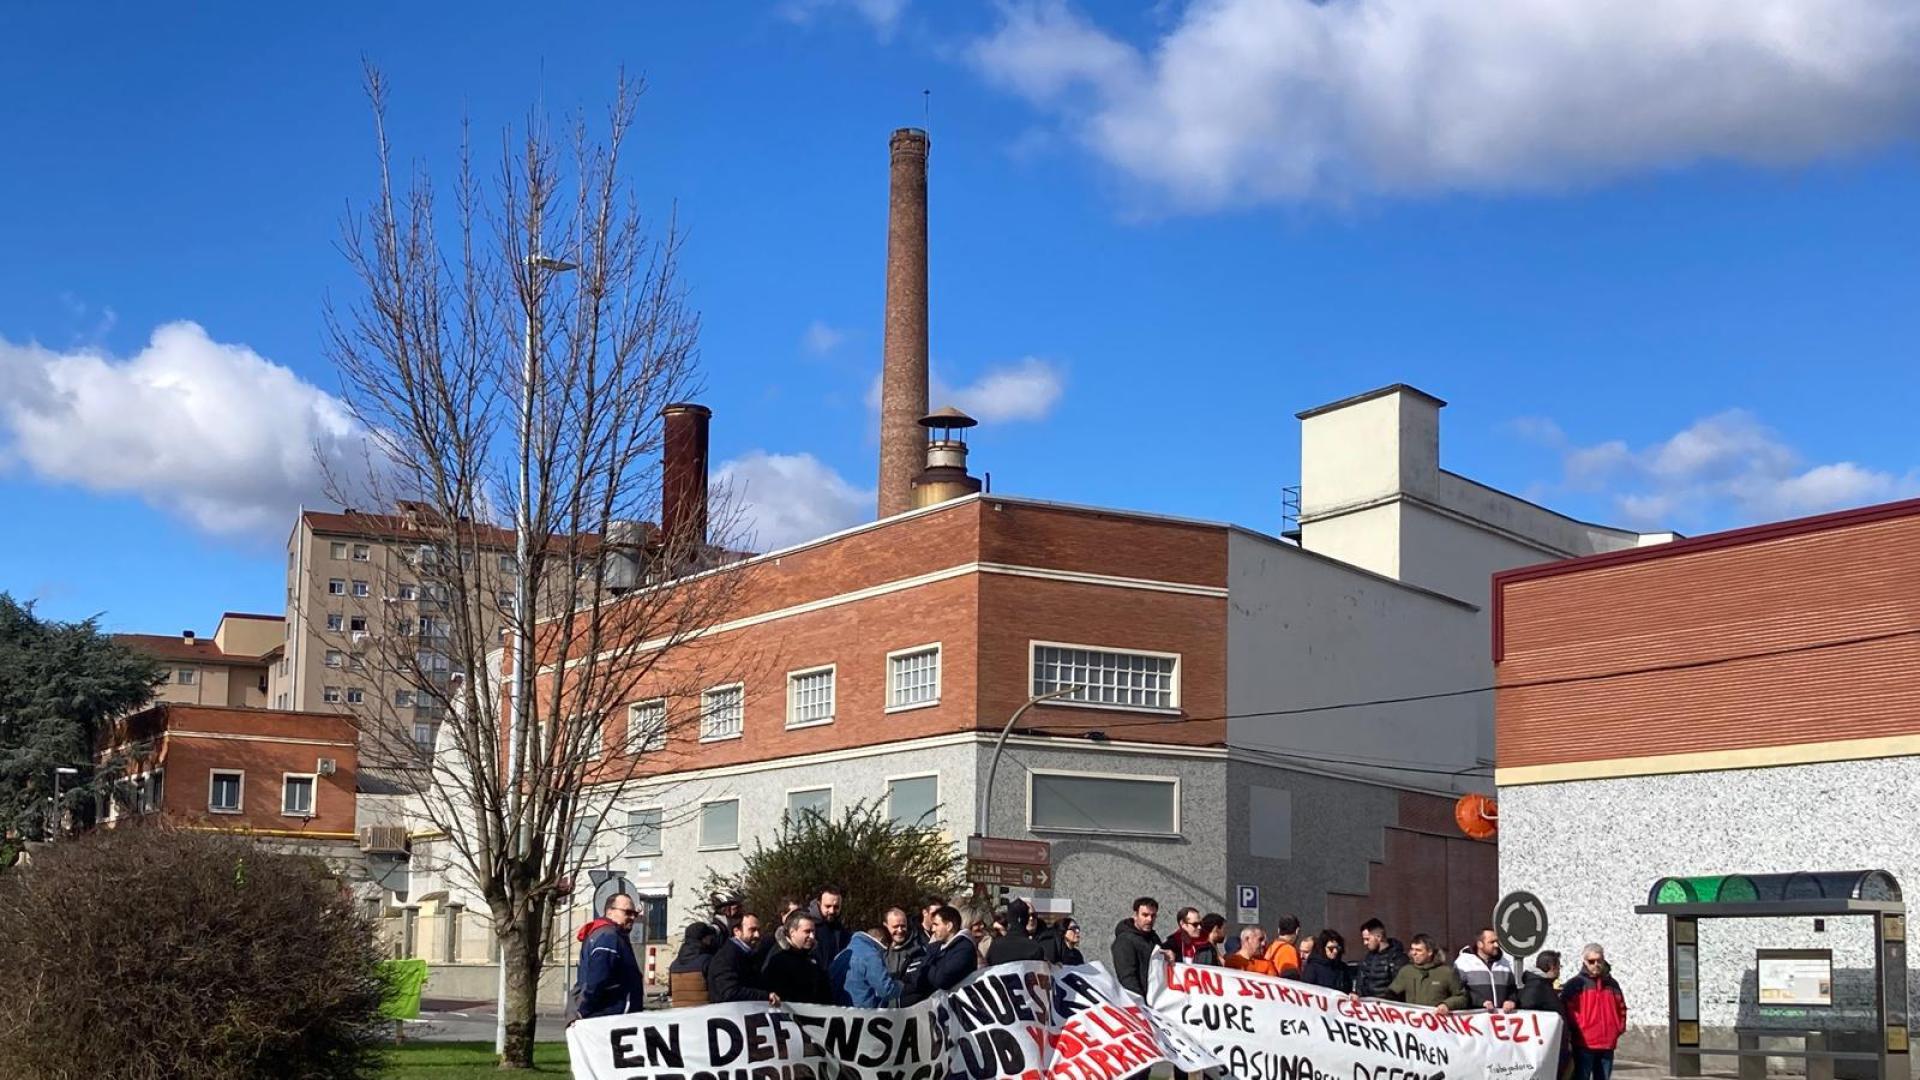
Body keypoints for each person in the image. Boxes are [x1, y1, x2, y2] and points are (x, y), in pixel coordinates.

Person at [573, 894, 646, 1019]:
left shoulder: (607, 934)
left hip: (609, 1015)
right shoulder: (608, 937)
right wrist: (583, 1011)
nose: (632, 917)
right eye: (628, 912)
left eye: (635, 913)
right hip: (609, 1016)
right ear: (610, 912)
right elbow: (597, 979)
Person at [1561, 945, 1627, 1080]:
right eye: (1591, 961)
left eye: (1599, 961)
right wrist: (1580, 1028)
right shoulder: (1575, 984)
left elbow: (1621, 1008)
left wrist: (1618, 1028)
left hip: (1607, 1043)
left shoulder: (1612, 984)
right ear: (1585, 961)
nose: (1596, 964)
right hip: (1584, 1043)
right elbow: (1567, 1010)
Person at [1383, 933, 1468, 1012]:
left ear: (1430, 952)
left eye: (1418, 950)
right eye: (1412, 949)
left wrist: (1447, 1005)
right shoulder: (1406, 971)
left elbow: (1462, 997)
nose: (1414, 953)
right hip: (1413, 1020)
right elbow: (1391, 994)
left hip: (1438, 1020)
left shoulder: (1447, 972)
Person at [1519, 951, 1570, 1079]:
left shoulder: (1543, 984)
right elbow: (1527, 1013)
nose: (1559, 971)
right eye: (1559, 967)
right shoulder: (1536, 986)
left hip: (1550, 1049)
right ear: (1552, 967)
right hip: (1544, 1050)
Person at [763, 911, 833, 1005]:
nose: (812, 936)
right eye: (807, 931)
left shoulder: (814, 959)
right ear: (792, 932)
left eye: (813, 931)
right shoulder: (778, 959)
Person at [706, 914, 778, 1005]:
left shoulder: (746, 954)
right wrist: (765, 996)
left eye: (759, 930)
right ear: (737, 931)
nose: (757, 935)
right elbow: (729, 992)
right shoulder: (726, 957)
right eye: (752, 930)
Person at [914, 905, 978, 999]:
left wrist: (928, 964)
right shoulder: (936, 946)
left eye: (936, 924)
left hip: (957, 1003)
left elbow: (941, 980)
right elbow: (918, 977)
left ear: (949, 926)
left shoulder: (964, 949)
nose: (933, 929)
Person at [831, 926, 904, 1007]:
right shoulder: (871, 956)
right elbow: (886, 990)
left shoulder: (842, 954)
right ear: (882, 940)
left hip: (838, 1010)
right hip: (864, 1011)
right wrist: (900, 986)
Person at [1456, 927, 1520, 1012]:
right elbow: (1459, 991)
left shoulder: (1504, 962)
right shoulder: (1463, 963)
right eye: (1492, 942)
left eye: (1497, 941)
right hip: (1475, 1015)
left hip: (1501, 1016)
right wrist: (1480, 1002)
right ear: (1480, 944)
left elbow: (1512, 989)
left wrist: (1511, 1001)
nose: (1496, 945)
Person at [1111, 896, 1162, 995]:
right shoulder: (1125, 940)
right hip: (1140, 999)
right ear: (1135, 915)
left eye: (1153, 916)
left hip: (1156, 997)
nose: (1149, 919)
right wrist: (1140, 1000)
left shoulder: (1153, 938)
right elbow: (1127, 977)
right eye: (1145, 915)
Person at [1355, 918, 1411, 1000]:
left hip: (1388, 1006)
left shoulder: (1397, 958)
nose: (1365, 943)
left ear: (1379, 937)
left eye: (1367, 939)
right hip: (1368, 1005)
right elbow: (1360, 984)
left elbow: (1399, 988)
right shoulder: (1367, 959)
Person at [667, 922, 719, 1007]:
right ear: (704, 939)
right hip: (704, 1012)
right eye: (709, 937)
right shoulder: (707, 961)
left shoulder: (674, 965)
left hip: (679, 1013)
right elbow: (717, 991)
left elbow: (670, 993)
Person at [987, 898, 1047, 965]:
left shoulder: (995, 946)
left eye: (1033, 915)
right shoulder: (1034, 947)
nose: (1031, 918)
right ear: (1026, 919)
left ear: (1009, 919)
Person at [1297, 928, 1354, 992]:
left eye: (1337, 948)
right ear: (1323, 948)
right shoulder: (1312, 968)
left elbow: (1348, 989)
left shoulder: (1343, 968)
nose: (1335, 951)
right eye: (1331, 948)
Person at [809, 886, 852, 970]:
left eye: (836, 907)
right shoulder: (808, 926)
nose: (832, 911)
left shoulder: (841, 928)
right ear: (819, 903)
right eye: (828, 906)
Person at [883, 907, 926, 990]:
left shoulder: (917, 950)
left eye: (903, 926)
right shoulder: (881, 951)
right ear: (886, 926)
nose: (900, 930)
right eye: (895, 926)